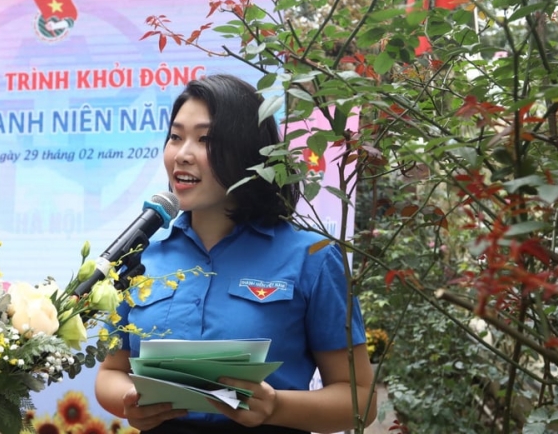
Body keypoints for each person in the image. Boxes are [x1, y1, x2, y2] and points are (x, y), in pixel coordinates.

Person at [94, 73, 377, 434]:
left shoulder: (313, 257)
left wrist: (275, 406)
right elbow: (110, 373)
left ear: (247, 152)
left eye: (205, 139)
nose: (182, 154)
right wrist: (131, 401)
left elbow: (360, 401)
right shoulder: (142, 257)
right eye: (176, 137)